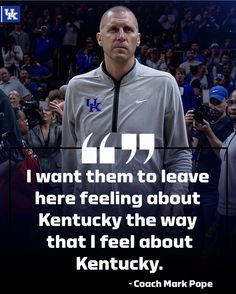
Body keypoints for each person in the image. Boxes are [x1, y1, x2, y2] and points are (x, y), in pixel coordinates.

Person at [62, 6, 192, 234]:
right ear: (100, 39)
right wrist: (67, 206)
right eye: (113, 29)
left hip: (146, 219)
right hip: (89, 219)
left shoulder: (163, 84)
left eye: (128, 29)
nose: (121, 35)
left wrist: (176, 195)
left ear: (138, 39)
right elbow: (70, 153)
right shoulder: (78, 87)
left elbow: (179, 152)